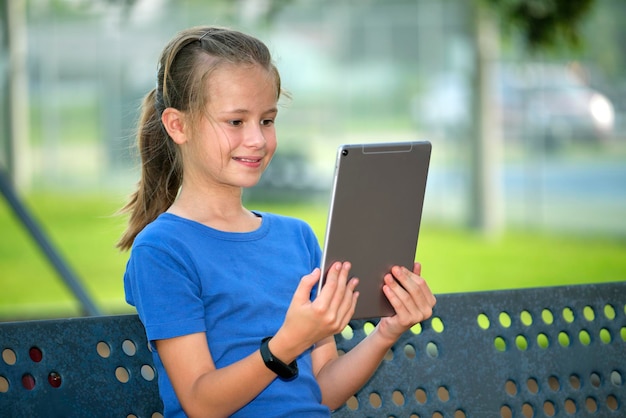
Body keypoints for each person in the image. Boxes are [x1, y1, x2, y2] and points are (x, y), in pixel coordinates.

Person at [118, 26, 436, 418]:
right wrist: (286, 343)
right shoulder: (162, 251)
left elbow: (321, 392)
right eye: (236, 122)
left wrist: (388, 331)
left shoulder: (297, 238)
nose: (257, 139)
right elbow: (201, 403)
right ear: (178, 125)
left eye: (267, 120)